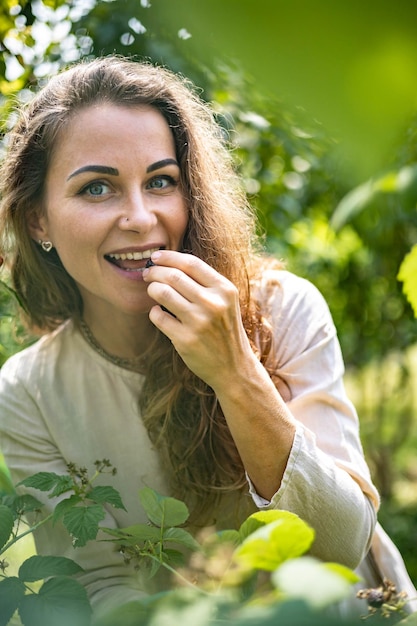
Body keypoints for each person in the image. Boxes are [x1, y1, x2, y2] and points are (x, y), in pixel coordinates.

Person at [0, 55, 415, 617]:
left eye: (161, 181)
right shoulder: (28, 393)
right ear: (37, 221)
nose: (141, 217)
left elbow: (340, 543)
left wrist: (235, 370)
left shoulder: (283, 309)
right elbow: (96, 586)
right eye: (97, 188)